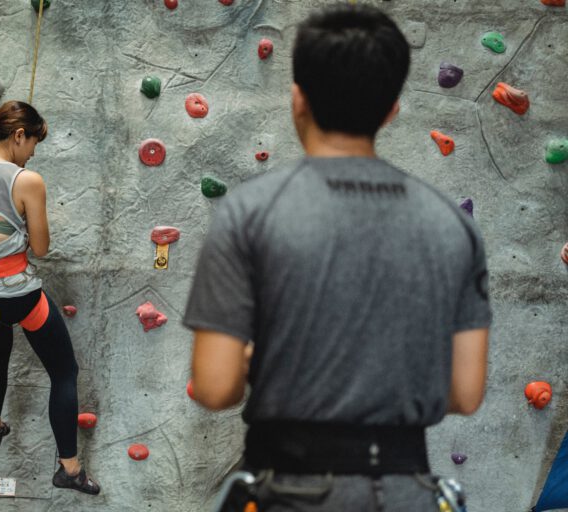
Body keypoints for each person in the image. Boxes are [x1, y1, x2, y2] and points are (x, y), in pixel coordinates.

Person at [183, 5, 490, 511]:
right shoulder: (451, 225)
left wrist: (255, 357)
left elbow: (216, 388)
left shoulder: (249, 213)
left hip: (287, 490)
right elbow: (466, 391)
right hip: (408, 492)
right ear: (392, 108)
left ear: (297, 99)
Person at [0, 100, 99, 495]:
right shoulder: (27, 181)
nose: (33, 152)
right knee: (64, 372)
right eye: (33, 142)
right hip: (18, 296)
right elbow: (41, 247)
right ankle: (69, 469)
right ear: (19, 135)